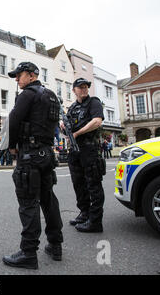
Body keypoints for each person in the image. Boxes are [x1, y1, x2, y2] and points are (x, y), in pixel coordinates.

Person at [2, 62, 63, 269]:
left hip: (29, 155)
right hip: (46, 154)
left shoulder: (27, 94)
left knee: (28, 203)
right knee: (48, 199)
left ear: (31, 75)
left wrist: (11, 146)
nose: (17, 80)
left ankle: (28, 253)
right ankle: (56, 244)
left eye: (19, 75)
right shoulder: (51, 95)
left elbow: (14, 119)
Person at [63, 77, 105, 233]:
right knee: (78, 184)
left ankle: (95, 221)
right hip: (75, 151)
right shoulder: (73, 107)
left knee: (93, 185)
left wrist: (77, 133)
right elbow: (68, 129)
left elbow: (97, 121)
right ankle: (84, 213)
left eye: (86, 86)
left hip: (89, 150)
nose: (84, 89)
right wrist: (63, 127)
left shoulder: (94, 102)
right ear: (74, 90)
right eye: (80, 87)